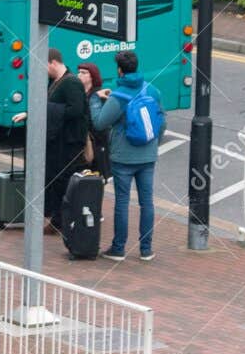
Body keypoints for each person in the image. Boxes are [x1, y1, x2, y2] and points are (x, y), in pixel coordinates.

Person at [90, 50, 165, 260]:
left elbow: (100, 122)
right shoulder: (152, 90)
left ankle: (119, 248)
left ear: (120, 71)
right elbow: (162, 121)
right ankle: (146, 249)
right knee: (147, 202)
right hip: (148, 157)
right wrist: (153, 144)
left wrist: (96, 100)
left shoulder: (118, 96)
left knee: (122, 202)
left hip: (123, 157)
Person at [44, 49, 89, 233]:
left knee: (62, 180)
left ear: (53, 62)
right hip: (58, 141)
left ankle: (60, 221)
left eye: (44, 66)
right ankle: (56, 217)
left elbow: (76, 110)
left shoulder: (70, 83)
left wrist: (51, 109)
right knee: (54, 179)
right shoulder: (55, 81)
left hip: (68, 143)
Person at [76, 62, 112, 179]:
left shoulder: (100, 95)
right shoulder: (79, 92)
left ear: (92, 76)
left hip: (97, 145)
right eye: (79, 72)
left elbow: (103, 124)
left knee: (95, 179)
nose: (79, 75)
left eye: (83, 73)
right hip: (83, 142)